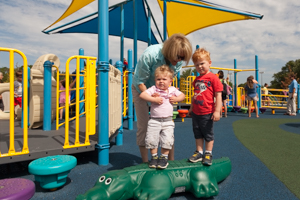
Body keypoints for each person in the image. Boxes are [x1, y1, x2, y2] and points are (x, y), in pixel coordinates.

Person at [132, 33, 192, 163]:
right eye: (178, 56)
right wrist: (151, 97)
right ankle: (145, 162)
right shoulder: (150, 54)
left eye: (182, 58)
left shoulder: (178, 63)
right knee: (144, 126)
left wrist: (172, 96)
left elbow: (170, 80)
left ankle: (170, 161)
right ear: (170, 50)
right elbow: (140, 81)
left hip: (161, 91)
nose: (179, 60)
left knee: (168, 126)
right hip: (141, 88)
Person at [139, 65, 185, 169]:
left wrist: (176, 99)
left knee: (167, 140)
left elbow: (183, 95)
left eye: (164, 79)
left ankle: (164, 158)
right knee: (152, 139)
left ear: (170, 81)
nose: (161, 81)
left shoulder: (172, 90)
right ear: (155, 80)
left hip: (168, 121)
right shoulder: (154, 89)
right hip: (154, 120)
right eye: (158, 79)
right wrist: (153, 99)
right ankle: (154, 158)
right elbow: (142, 95)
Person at [187, 48, 223, 166]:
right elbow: (195, 95)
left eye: (202, 63)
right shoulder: (197, 79)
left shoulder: (213, 78)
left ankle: (208, 153)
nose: (200, 66)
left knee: (207, 133)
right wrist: (191, 108)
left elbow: (218, 95)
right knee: (197, 132)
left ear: (209, 63)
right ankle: (199, 152)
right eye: (197, 65)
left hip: (207, 111)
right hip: (196, 112)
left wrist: (217, 111)